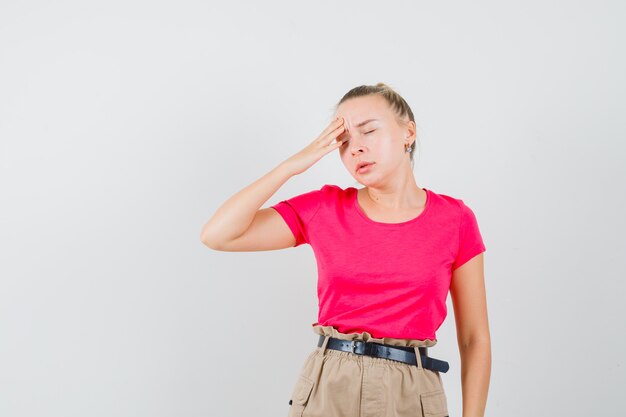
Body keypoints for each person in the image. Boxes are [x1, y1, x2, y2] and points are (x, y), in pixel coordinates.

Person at [200, 82, 491, 417]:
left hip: (413, 392)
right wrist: (293, 165)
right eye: (343, 142)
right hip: (331, 385)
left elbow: (474, 339)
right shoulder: (325, 209)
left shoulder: (455, 220)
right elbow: (218, 235)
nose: (355, 148)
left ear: (408, 132)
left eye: (368, 131)